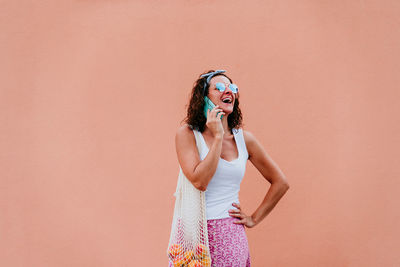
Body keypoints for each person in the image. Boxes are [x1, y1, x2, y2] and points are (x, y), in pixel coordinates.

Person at [171, 69, 290, 267]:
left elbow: (281, 183)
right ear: (204, 99)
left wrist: (253, 218)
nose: (228, 91)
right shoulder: (188, 134)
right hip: (194, 233)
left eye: (232, 87)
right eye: (219, 87)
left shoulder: (244, 140)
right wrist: (217, 136)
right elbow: (200, 181)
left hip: (229, 234)